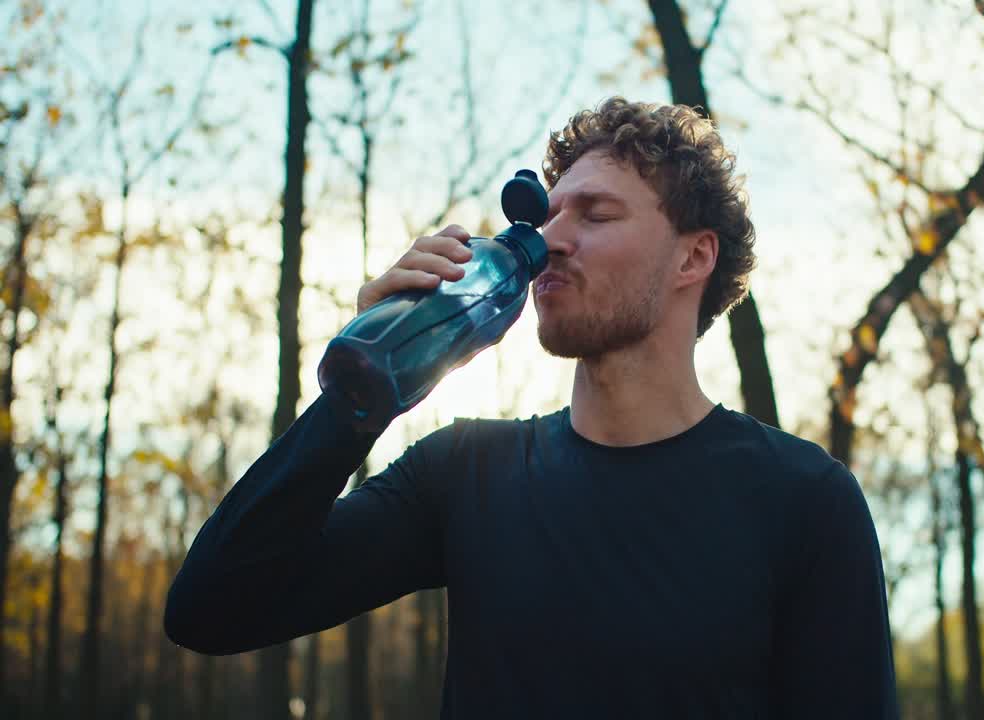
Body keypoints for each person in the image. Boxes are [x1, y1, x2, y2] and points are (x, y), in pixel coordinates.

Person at [165, 96, 898, 718]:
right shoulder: (467, 474)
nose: (549, 242)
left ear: (692, 258)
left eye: (596, 214)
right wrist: (359, 392)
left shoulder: (803, 500)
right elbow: (213, 608)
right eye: (546, 218)